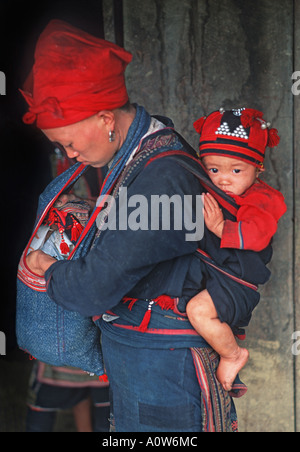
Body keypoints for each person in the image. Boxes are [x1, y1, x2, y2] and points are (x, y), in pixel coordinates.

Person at [20, 20, 275, 432]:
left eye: (70, 142)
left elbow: (94, 287)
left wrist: (46, 268)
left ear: (106, 119)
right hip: (147, 363)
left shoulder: (161, 178)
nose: (69, 154)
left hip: (165, 372)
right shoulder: (141, 156)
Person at [186, 108, 287, 392]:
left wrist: (220, 227)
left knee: (199, 311)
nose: (224, 179)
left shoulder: (263, 198)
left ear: (258, 170)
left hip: (237, 283)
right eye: (213, 169)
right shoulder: (211, 191)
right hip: (213, 275)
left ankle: (233, 355)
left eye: (236, 170)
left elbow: (256, 234)